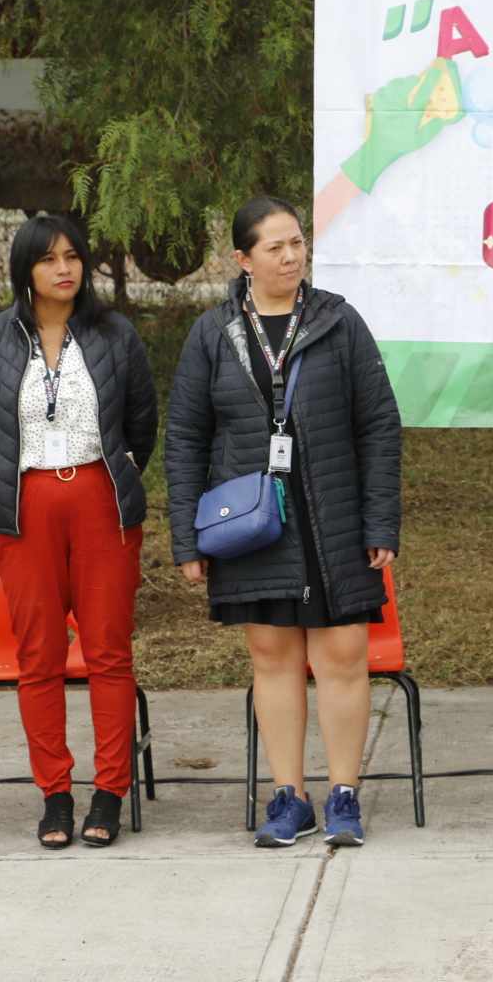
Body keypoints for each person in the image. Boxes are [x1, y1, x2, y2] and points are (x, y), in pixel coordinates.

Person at [166, 196, 401, 848]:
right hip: (252, 523)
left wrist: (381, 520)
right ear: (242, 259)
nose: (292, 255)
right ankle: (289, 797)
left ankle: (345, 794)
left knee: (343, 654)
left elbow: (379, 423)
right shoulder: (214, 334)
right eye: (275, 247)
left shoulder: (337, 321)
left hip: (333, 515)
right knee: (271, 655)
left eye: (297, 242)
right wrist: (187, 537)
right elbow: (184, 436)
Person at [0, 214, 158, 849]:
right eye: (48, 259)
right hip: (25, 505)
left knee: (107, 651)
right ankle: (55, 796)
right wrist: (2, 475)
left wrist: (120, 471)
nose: (64, 269)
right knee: (38, 655)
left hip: (101, 499)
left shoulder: (115, 334)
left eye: (73, 256)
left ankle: (109, 791)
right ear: (26, 269)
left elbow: (142, 420)